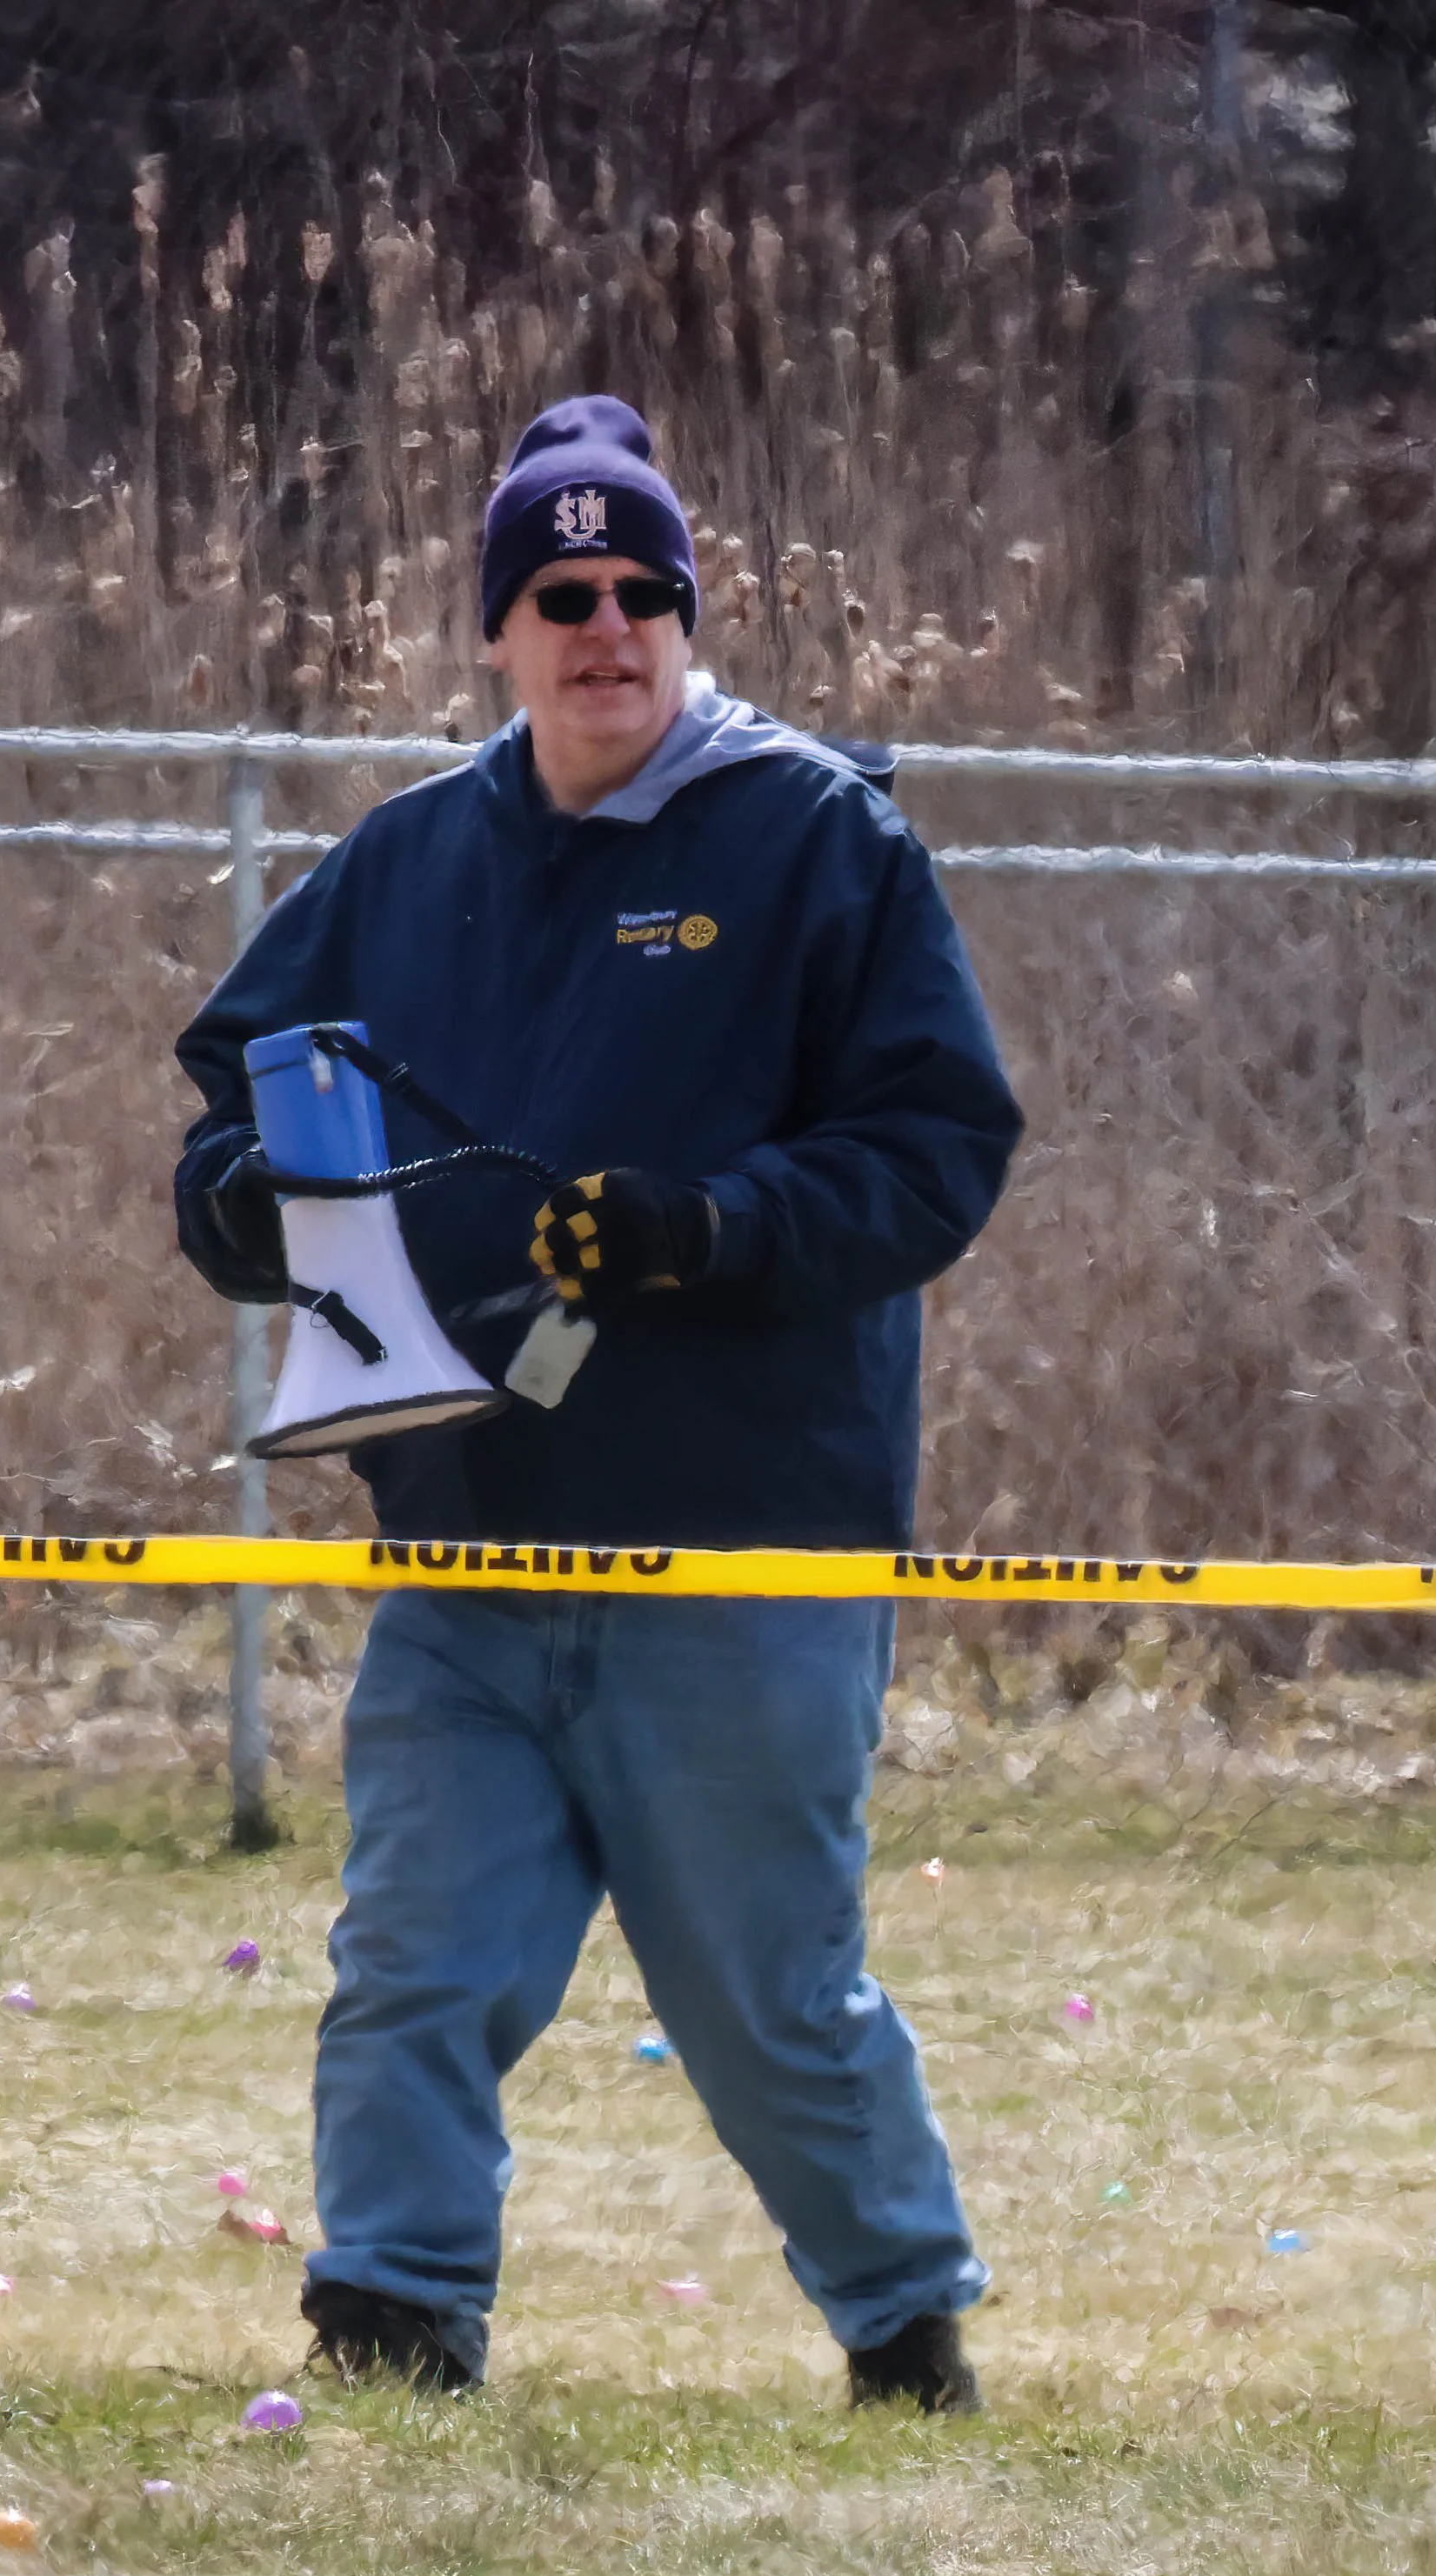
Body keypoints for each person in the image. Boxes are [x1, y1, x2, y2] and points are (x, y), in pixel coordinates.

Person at [174, 395, 1023, 2412]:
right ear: (500, 629)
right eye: (561, 594)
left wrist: (701, 1229)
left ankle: (903, 2329)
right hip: (472, 1541)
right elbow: (235, 1119)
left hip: (736, 1549)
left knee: (764, 2004)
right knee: (414, 1963)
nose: (606, 625)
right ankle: (390, 2322)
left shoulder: (819, 836)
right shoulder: (403, 861)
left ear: (685, 614)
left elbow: (936, 1151)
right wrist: (249, 1207)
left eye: (645, 590)